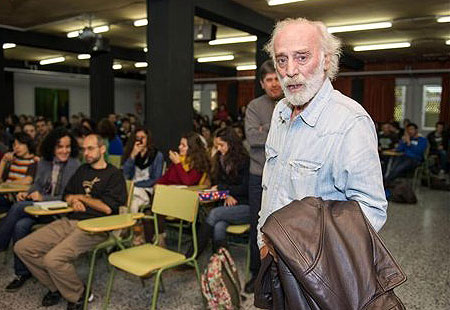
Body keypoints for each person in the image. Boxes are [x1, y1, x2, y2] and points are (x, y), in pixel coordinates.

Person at [258, 18, 387, 264]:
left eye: (302, 57)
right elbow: (271, 190)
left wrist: (307, 253)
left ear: (326, 60)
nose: (290, 70)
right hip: (272, 260)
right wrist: (262, 240)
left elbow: (371, 211)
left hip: (317, 269)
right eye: (282, 60)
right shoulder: (280, 113)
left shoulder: (350, 121)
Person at [14, 133, 127, 310]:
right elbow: (67, 194)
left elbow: (107, 208)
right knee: (23, 247)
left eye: (91, 148)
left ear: (102, 149)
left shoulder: (114, 175)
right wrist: (73, 200)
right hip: (70, 220)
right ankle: (56, 287)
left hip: (96, 227)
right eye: (84, 149)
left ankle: (79, 294)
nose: (86, 153)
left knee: (53, 259)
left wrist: (81, 197)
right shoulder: (83, 170)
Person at [0, 128, 80, 292]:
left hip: (59, 212)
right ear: (52, 147)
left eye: (68, 146)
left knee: (17, 208)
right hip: (40, 209)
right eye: (60, 147)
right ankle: (22, 273)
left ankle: (1, 245)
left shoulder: (74, 164)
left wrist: (43, 198)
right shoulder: (44, 162)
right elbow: (37, 185)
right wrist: (27, 193)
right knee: (20, 225)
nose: (65, 151)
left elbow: (68, 196)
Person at [243, 59, 283, 293]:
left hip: (284, 176)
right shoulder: (255, 106)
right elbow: (253, 140)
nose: (274, 84)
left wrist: (264, 129)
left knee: (284, 227)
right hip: (258, 176)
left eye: (277, 78)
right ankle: (255, 274)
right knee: (256, 228)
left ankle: (282, 276)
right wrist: (278, 130)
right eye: (269, 80)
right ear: (262, 83)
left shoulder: (293, 102)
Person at [185, 127, 250, 257]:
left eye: (221, 145)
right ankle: (220, 263)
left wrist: (223, 190)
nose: (219, 148)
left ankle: (191, 256)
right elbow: (217, 182)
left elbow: (245, 188)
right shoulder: (220, 159)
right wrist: (227, 193)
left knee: (214, 214)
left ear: (231, 144)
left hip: (246, 206)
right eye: (217, 146)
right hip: (228, 206)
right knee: (218, 227)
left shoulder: (245, 161)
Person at [122, 126, 164, 213]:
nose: (140, 140)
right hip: (132, 190)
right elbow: (125, 174)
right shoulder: (131, 152)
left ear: (148, 139)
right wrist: (132, 156)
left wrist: (135, 185)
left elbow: (156, 178)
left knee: (128, 201)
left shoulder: (157, 155)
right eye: (137, 138)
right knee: (132, 203)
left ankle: (127, 225)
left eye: (143, 138)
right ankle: (132, 225)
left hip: (146, 189)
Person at [0, 132, 38, 212]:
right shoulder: (12, 161)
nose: (16, 147)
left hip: (18, 199)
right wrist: (3, 161)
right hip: (5, 197)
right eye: (14, 145)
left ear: (27, 144)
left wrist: (6, 185)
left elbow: (27, 181)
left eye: (20, 144)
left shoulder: (34, 161)